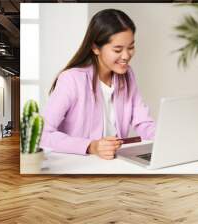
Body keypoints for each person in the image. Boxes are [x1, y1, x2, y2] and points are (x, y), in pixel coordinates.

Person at [40, 9, 155, 160]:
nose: (126, 56)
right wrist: (91, 146)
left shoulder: (127, 75)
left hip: (114, 163)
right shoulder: (71, 79)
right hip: (79, 167)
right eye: (118, 49)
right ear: (95, 48)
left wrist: (168, 138)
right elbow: (41, 134)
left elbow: (143, 122)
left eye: (131, 47)